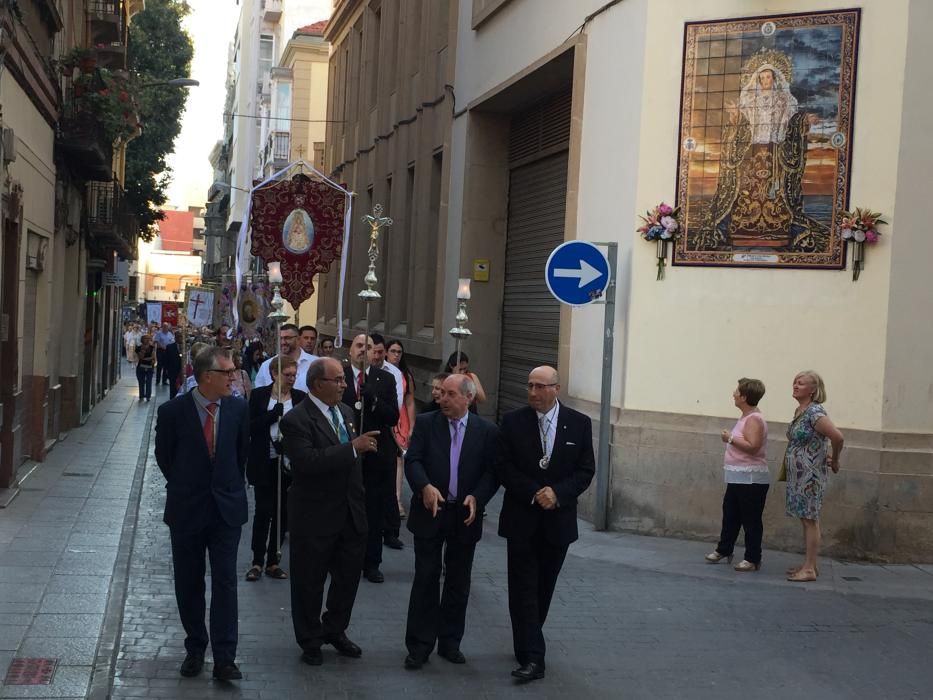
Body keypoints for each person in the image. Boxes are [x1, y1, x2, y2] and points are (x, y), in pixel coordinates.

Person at [154, 347, 250, 681]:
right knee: (188, 581)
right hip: (187, 509)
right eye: (228, 372)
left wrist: (228, 486)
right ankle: (195, 647)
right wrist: (186, 485)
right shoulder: (172, 412)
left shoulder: (238, 409)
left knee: (225, 582)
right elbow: (165, 458)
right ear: (207, 376)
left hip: (226, 509)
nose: (234, 377)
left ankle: (225, 657)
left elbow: (240, 456)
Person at [496, 365, 595, 683]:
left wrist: (558, 493)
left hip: (558, 521)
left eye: (540, 387)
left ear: (556, 388)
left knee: (543, 588)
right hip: (522, 518)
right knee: (523, 588)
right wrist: (533, 492)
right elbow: (503, 466)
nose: (533, 393)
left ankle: (526, 642)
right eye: (529, 386)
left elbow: (585, 469)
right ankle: (534, 658)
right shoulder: (513, 422)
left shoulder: (579, 424)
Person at [279, 357, 380, 666]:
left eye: (342, 380)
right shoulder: (296, 420)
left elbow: (354, 468)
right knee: (309, 581)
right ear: (316, 384)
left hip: (350, 513)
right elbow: (307, 463)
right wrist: (353, 448)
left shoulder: (346, 412)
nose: (344, 385)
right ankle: (309, 639)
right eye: (337, 380)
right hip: (315, 516)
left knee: (347, 579)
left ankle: (335, 629)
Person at [402, 374, 499, 670]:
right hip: (431, 511)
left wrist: (478, 498)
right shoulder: (429, 423)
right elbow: (413, 460)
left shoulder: (486, 431)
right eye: (441, 393)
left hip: (464, 515)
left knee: (458, 581)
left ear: (468, 398)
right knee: (426, 578)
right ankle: (419, 645)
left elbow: (493, 472)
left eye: (450, 394)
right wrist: (424, 487)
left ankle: (450, 642)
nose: (442, 399)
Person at [694, 49, 826, 251]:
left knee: (776, 191)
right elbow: (744, 124)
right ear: (757, 79)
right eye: (762, 77)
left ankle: (778, 232)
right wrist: (736, 116)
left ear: (774, 79)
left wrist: (803, 120)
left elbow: (791, 122)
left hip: (775, 152)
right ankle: (744, 230)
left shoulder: (784, 100)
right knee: (748, 190)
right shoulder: (750, 100)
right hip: (752, 151)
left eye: (768, 77)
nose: (765, 80)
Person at [341, 334, 400, 582]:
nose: (363, 351)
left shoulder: (384, 379)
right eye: (358, 346)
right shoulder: (338, 374)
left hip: (377, 452)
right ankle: (344, 559)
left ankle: (372, 562)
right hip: (346, 452)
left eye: (368, 347)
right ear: (350, 350)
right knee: (345, 507)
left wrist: (373, 399)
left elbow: (393, 417)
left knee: (373, 509)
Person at [246, 356, 305, 582]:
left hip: (288, 463)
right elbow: (251, 426)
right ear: (274, 374)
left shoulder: (299, 398)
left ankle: (273, 560)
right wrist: (273, 414)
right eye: (287, 374)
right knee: (264, 511)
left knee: (283, 512)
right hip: (264, 460)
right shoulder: (260, 396)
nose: (291, 379)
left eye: (293, 375)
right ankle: (257, 560)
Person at [784, 370, 844, 582]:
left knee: (810, 520)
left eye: (800, 383)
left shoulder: (815, 412)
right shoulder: (801, 410)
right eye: (794, 382)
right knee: (805, 519)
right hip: (799, 475)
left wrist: (835, 460)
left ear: (813, 389)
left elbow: (837, 437)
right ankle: (810, 565)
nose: (795, 385)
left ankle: (809, 569)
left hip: (810, 477)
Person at [705, 378, 769, 572]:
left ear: (744, 397)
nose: (734, 394)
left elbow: (753, 447)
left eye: (737, 392)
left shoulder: (754, 419)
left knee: (750, 520)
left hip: (751, 478)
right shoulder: (746, 417)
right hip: (737, 476)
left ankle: (752, 558)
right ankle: (724, 549)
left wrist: (730, 438)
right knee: (730, 515)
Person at [387, 339, 416, 521]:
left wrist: (412, 425)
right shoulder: (380, 371)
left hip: (401, 418)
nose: (396, 354)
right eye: (393, 351)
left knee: (399, 458)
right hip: (387, 417)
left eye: (399, 351)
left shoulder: (406, 375)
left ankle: (397, 499)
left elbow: (410, 401)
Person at [254, 324, 317, 392]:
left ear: (298, 339)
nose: (283, 342)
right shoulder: (266, 366)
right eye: (280, 338)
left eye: (287, 338)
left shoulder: (315, 363)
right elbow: (260, 396)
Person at [135, 334, 156, 402]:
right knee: (141, 382)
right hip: (140, 367)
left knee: (149, 382)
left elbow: (153, 357)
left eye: (148, 338)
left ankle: (148, 396)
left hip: (150, 367)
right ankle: (141, 395)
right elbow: (141, 357)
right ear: (142, 340)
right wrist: (143, 351)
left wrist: (147, 359)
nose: (147, 340)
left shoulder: (152, 347)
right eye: (145, 338)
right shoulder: (138, 348)